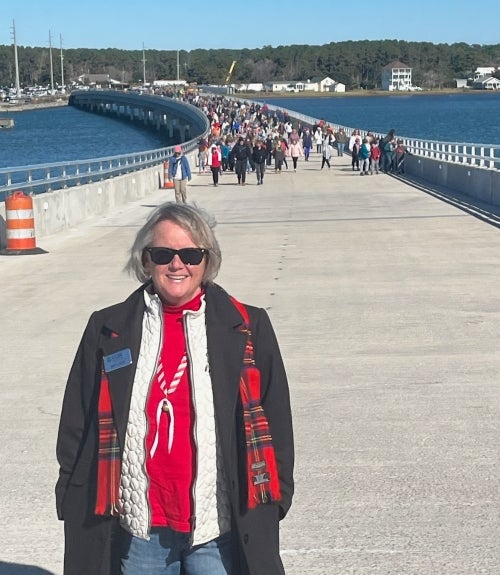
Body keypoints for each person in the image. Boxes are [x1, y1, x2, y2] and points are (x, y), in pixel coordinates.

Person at [55, 202, 295, 575]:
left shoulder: (248, 326)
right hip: (140, 528)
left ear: (207, 260)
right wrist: (69, 494)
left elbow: (276, 418)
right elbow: (76, 420)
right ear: (146, 260)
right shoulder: (107, 328)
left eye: (190, 254)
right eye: (163, 253)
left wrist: (277, 498)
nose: (177, 264)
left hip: (217, 526)